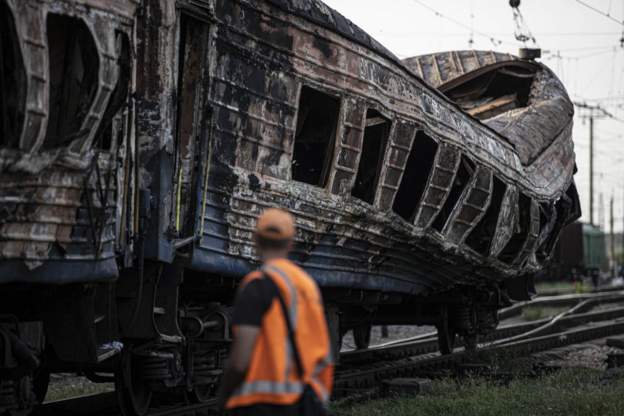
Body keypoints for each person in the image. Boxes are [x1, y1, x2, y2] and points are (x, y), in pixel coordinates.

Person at [217, 208, 334, 415]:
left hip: (261, 405)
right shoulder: (307, 285)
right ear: (291, 244)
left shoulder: (256, 286)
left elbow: (241, 359)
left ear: (256, 240)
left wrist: (225, 395)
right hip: (304, 401)